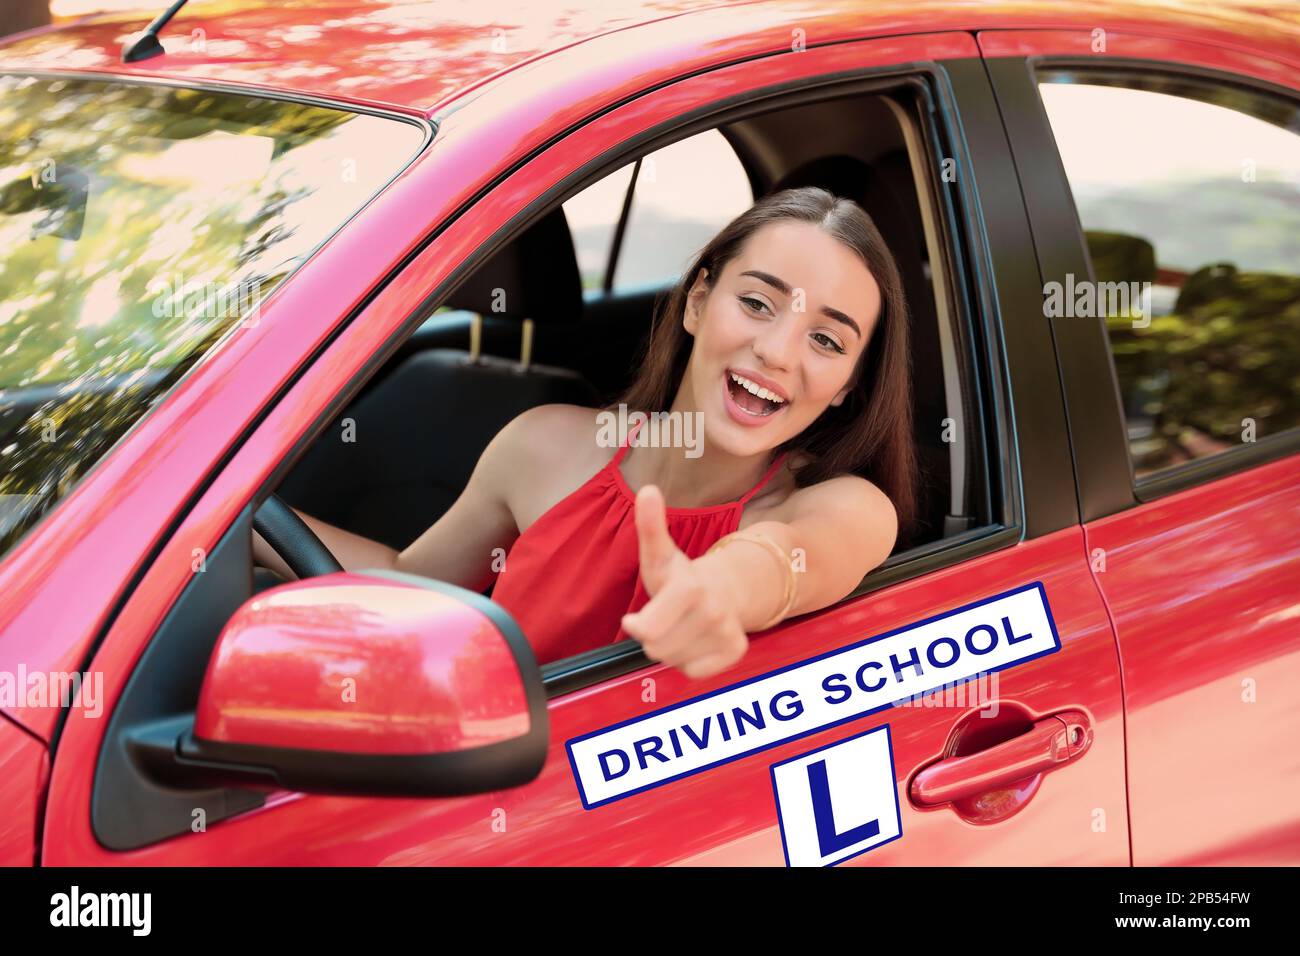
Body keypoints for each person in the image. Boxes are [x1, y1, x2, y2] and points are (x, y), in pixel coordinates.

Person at [253, 186, 917, 680]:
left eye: (826, 340)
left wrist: (720, 591)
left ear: (850, 385)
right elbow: (411, 585)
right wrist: (226, 523)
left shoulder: (846, 508)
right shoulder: (544, 445)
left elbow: (788, 560)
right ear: (696, 302)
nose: (777, 351)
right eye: (756, 304)